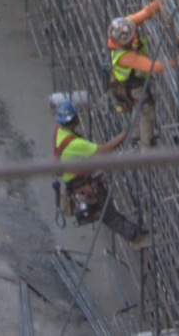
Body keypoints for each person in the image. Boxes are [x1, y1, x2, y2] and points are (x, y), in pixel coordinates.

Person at [53, 99, 149, 246]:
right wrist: (126, 132)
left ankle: (137, 232)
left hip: (76, 183)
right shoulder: (76, 144)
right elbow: (106, 149)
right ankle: (136, 237)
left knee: (109, 213)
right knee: (109, 217)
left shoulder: (59, 133)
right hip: (84, 186)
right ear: (74, 119)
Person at [107, 0, 179, 149]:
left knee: (138, 107)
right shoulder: (125, 57)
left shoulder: (126, 25)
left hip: (130, 82)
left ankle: (134, 134)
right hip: (132, 85)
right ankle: (148, 148)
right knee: (147, 109)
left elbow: (147, 12)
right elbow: (155, 67)